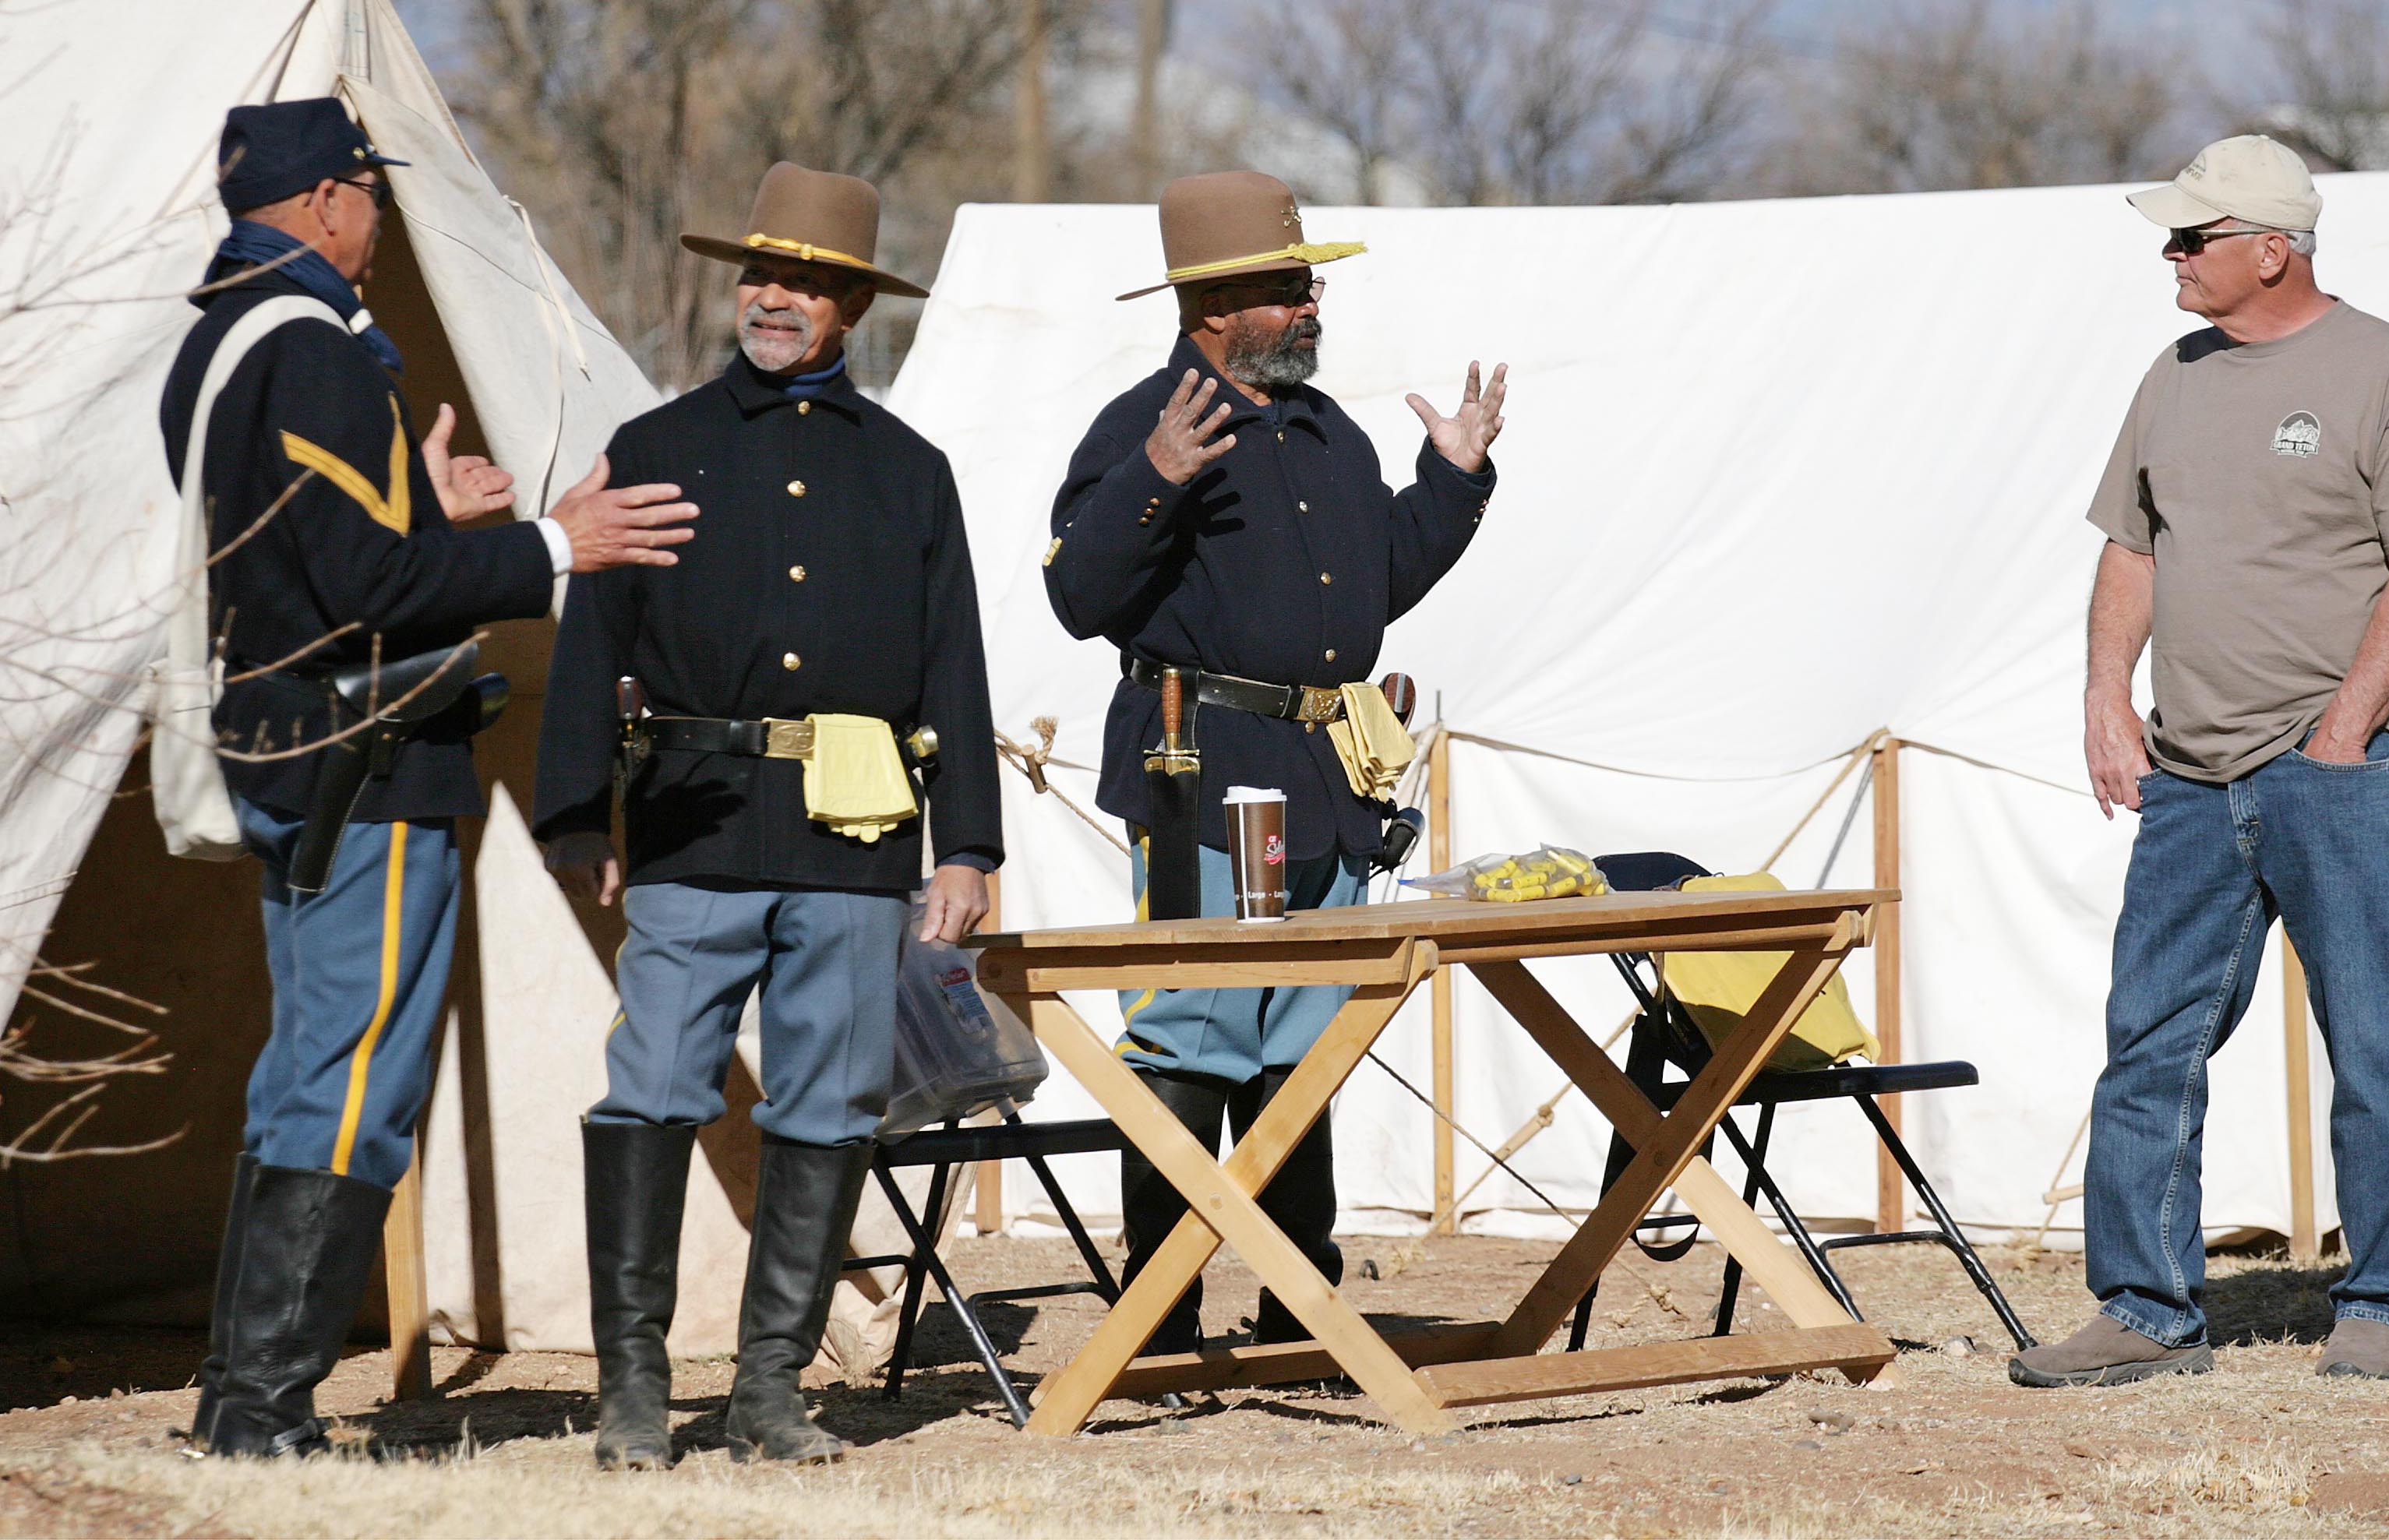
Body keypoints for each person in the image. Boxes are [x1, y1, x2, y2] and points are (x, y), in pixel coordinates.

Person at [162, 100, 699, 1458]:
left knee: (302, 1073)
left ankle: (240, 1396)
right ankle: (265, 1417)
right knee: (353, 1084)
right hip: (369, 763)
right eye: (369, 195)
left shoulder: (217, 346)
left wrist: (422, 507)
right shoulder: (319, 356)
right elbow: (367, 587)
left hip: (288, 754)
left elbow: (304, 561)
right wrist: (551, 543)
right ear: (326, 201)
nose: (381, 220)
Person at [532, 162, 1000, 1468]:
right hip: (689, 823)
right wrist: (579, 809)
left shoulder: (911, 473)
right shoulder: (662, 447)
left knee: (831, 1105)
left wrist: (967, 841)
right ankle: (634, 1392)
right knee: (654, 1093)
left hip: (854, 846)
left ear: (853, 302)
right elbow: (595, 632)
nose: (772, 298)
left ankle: (768, 1391)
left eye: (804, 281)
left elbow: (953, 662)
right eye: (759, 274)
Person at [2010, 136, 2389, 1390]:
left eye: (2192, 235)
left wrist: (2342, 736)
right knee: (2148, 1036)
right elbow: (2132, 551)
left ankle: (2383, 1302)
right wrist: (2109, 700)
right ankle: (2147, 1313)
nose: (2170, 253)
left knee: (2374, 1036)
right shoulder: (2171, 377)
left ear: (2270, 247)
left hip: (2340, 766)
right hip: (2191, 773)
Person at [1044, 170, 1505, 1354]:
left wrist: (1450, 482)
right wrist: (1154, 479)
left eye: (1310, 284)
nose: (1311, 304)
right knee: (1193, 1036)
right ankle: (1160, 1311)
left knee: (1302, 1039)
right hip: (1202, 777)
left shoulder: (1327, 430)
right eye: (1286, 287)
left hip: (1322, 783)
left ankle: (1301, 1307)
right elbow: (1079, 596)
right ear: (1213, 306)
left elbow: (1377, 586)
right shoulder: (1149, 424)